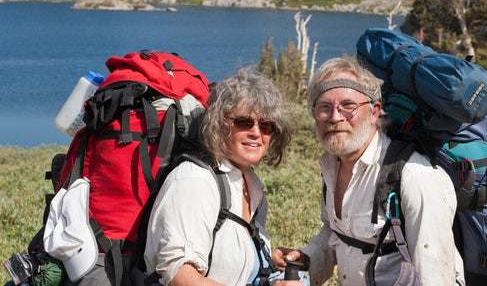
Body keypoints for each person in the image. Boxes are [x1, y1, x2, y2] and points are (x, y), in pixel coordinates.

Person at [272, 58, 465, 286]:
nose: (335, 117)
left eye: (348, 106)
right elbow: (338, 233)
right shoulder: (332, 166)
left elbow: (435, 275)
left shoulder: (414, 175)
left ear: (374, 112)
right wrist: (306, 258)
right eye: (324, 106)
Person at [144, 68, 304, 286]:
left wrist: (267, 263)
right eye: (244, 122)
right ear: (219, 124)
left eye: (266, 125)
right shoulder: (194, 181)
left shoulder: (247, 181)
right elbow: (179, 276)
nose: (256, 133)